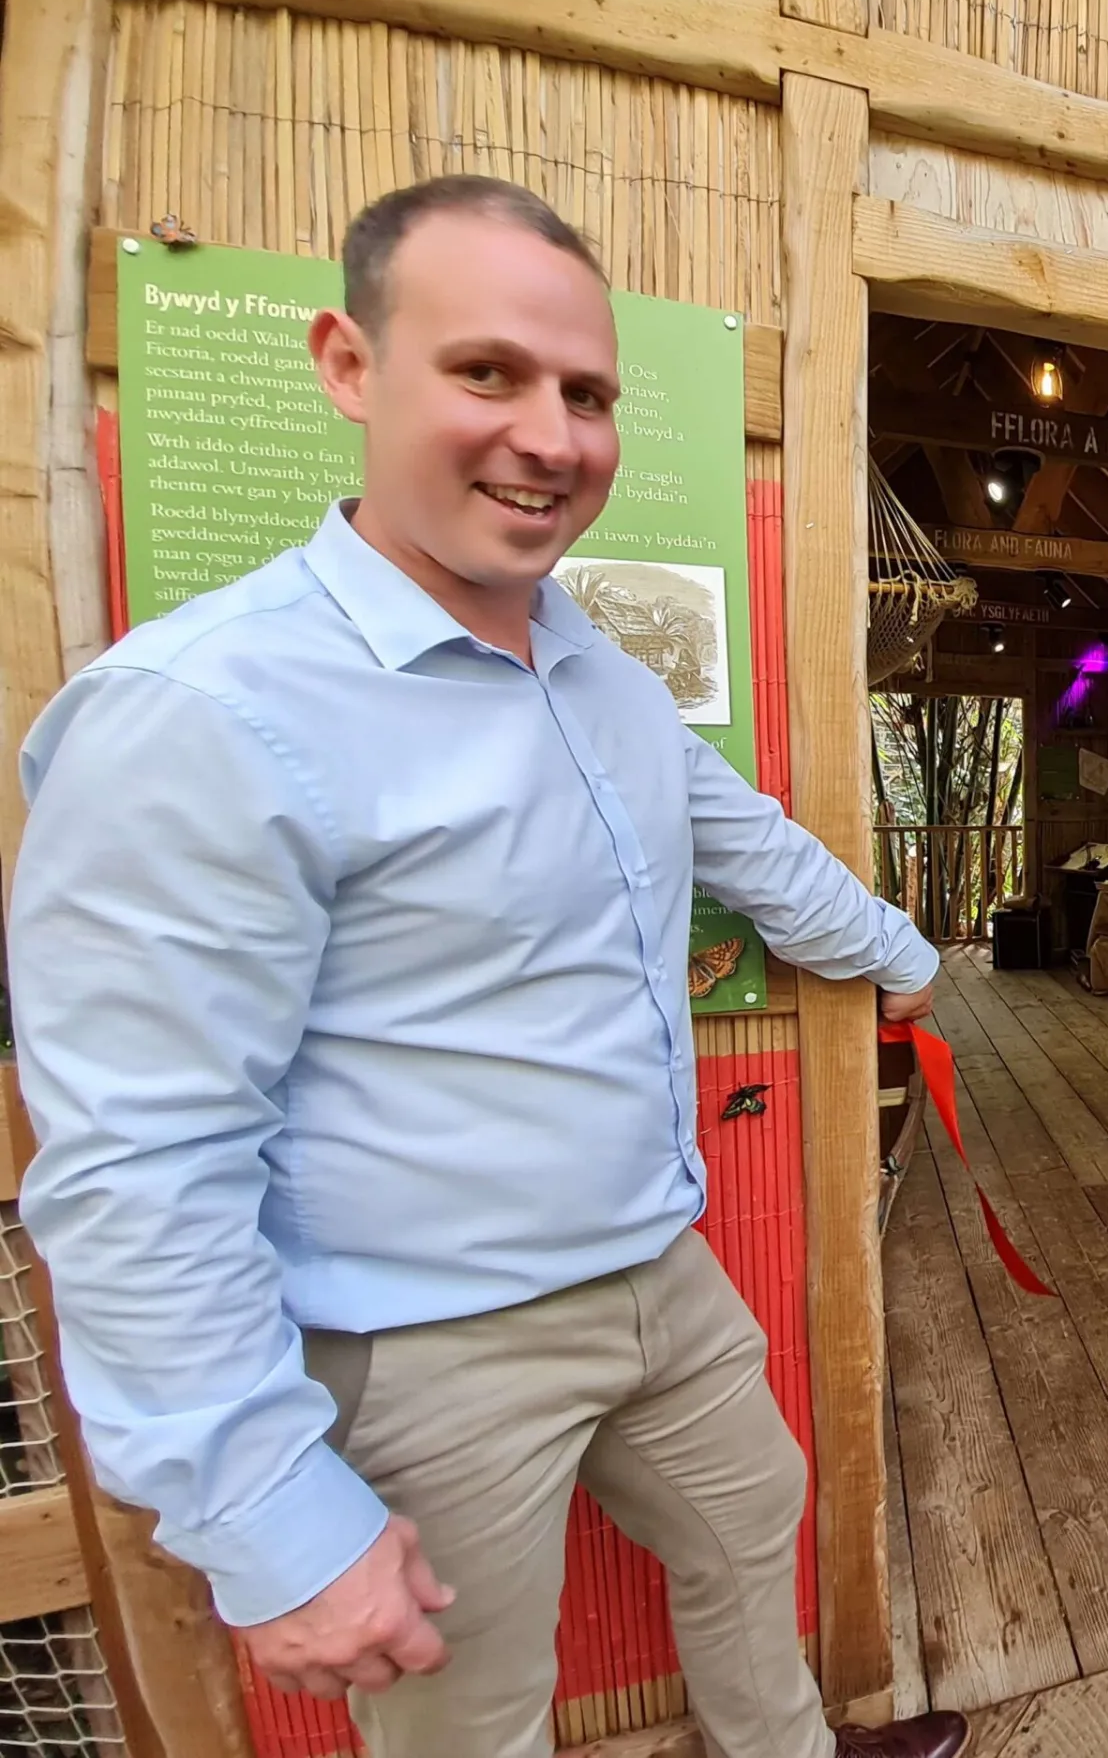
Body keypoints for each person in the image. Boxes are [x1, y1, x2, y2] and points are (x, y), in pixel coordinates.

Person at [10, 176, 966, 1758]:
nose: (550, 434)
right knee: (473, 1723)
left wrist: (905, 961)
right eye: (487, 373)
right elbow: (133, 1164)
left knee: (754, 1522)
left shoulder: (588, 662)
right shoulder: (204, 711)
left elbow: (746, 843)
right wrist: (264, 1507)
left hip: (660, 1274)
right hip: (426, 1344)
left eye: (585, 394)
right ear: (347, 364)